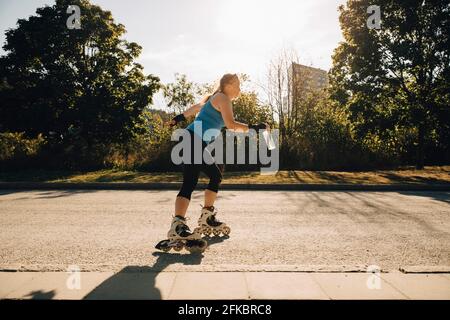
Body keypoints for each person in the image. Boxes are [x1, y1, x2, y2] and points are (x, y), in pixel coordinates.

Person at [166, 73, 269, 245]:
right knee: (190, 182)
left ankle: (207, 216)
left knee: (215, 174)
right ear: (228, 84)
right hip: (192, 140)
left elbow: (195, 107)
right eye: (237, 85)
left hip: (195, 141)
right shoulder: (222, 97)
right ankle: (178, 225)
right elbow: (231, 125)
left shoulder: (214, 98)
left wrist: (178, 119)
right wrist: (255, 127)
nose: (239, 89)